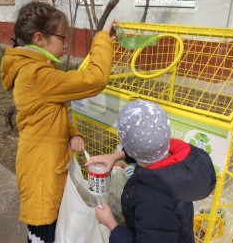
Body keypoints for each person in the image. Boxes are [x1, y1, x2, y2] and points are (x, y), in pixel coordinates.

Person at [0, 1, 117, 243]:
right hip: (42, 175)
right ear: (40, 38)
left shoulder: (36, 70)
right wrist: (102, 40)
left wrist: (73, 133)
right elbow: (94, 79)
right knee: (43, 233)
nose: (66, 44)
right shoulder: (38, 74)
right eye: (62, 37)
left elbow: (47, 117)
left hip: (42, 167)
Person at [85, 100, 217, 243]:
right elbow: (150, 153)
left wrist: (112, 224)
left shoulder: (152, 202)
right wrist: (116, 156)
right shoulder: (182, 162)